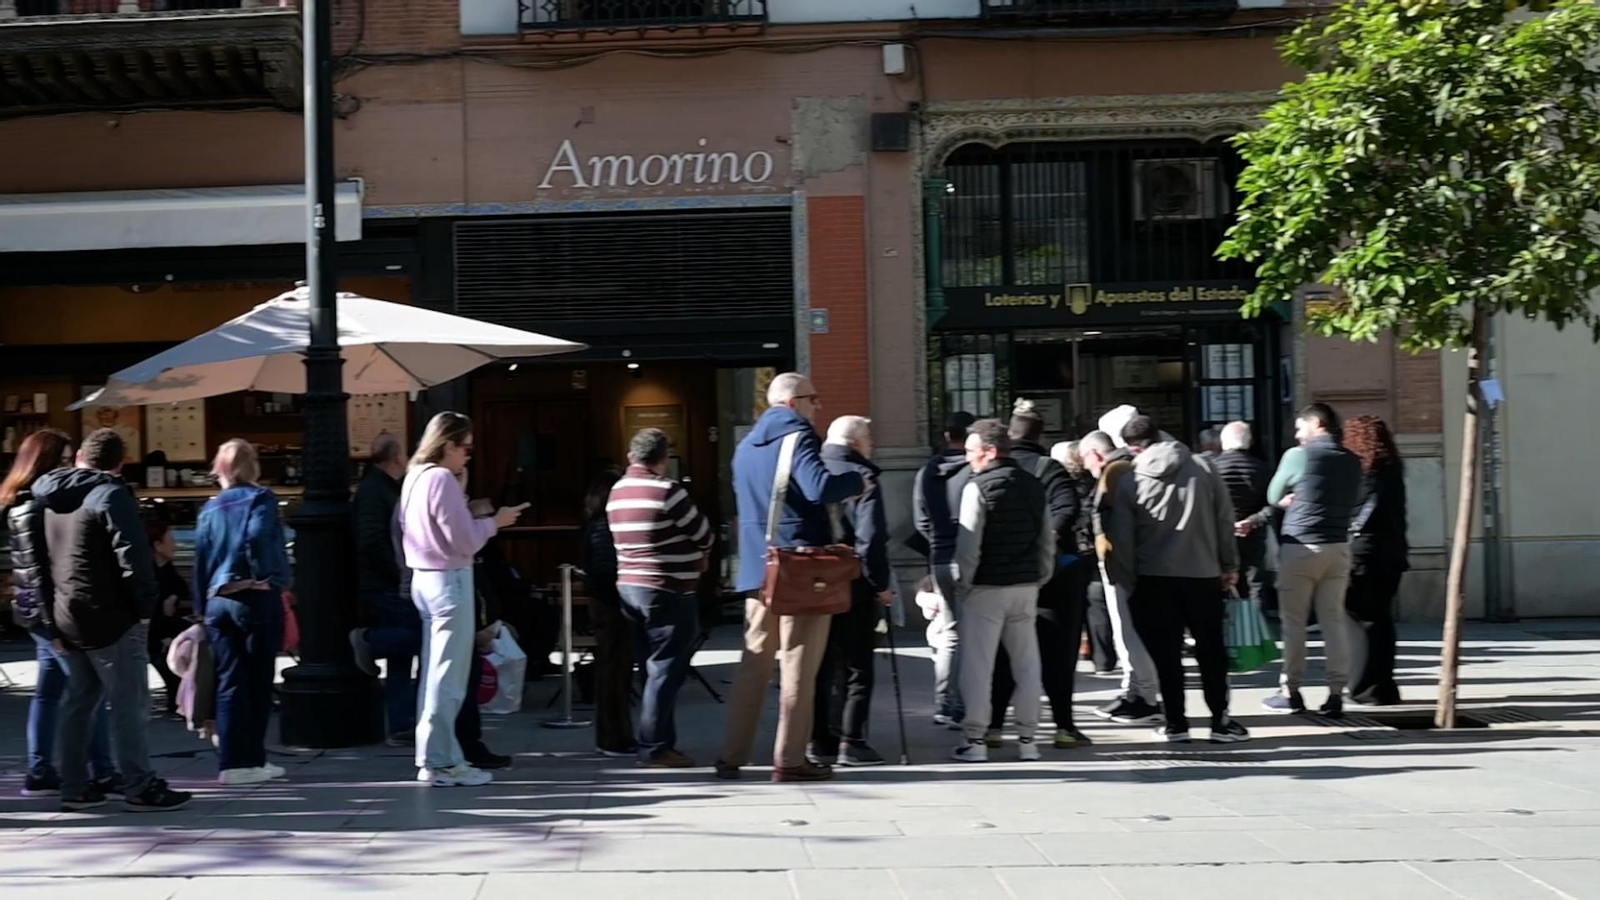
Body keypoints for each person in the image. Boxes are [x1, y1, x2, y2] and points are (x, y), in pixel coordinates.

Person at [718, 372, 864, 783]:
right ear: (794, 401)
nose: (818, 407)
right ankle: (790, 759)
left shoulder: (745, 445)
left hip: (758, 568)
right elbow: (819, 488)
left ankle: (733, 754)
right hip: (800, 568)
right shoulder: (798, 436)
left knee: (754, 663)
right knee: (799, 664)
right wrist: (857, 480)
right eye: (814, 399)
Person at [34, 428, 190, 811]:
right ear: (120, 463)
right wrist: (144, 609)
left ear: (81, 456)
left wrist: (50, 618)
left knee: (79, 702)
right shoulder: (112, 494)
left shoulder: (46, 494)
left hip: (67, 611)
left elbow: (38, 558)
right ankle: (139, 785)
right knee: (128, 704)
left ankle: (74, 785)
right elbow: (133, 556)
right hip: (112, 615)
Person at [400, 412, 526, 787]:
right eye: (465, 447)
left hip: (424, 579)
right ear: (448, 445)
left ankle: (434, 758)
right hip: (449, 580)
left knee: (433, 675)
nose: (468, 455)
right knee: (449, 679)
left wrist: (463, 491)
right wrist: (496, 522)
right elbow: (464, 539)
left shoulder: (415, 477)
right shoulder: (439, 478)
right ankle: (442, 761)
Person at [1106, 416, 1249, 744]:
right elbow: (1224, 518)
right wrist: (1230, 564)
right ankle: (1220, 720)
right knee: (1211, 651)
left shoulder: (1130, 480)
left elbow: (1123, 539)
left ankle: (1175, 722)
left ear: (1133, 447)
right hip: (1203, 573)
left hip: (1152, 577)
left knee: (1166, 654)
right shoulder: (1205, 467)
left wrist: (1128, 580)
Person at [3, 429, 118, 799]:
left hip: (35, 610)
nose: (70, 468)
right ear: (47, 463)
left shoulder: (20, 499)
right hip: (52, 611)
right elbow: (42, 568)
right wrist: (54, 624)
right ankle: (100, 770)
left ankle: (40, 769)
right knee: (88, 690)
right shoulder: (40, 503)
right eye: (65, 460)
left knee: (51, 691)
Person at [608, 429, 715, 768]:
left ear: (631, 456)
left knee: (650, 667)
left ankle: (661, 742)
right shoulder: (668, 491)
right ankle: (654, 746)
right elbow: (704, 534)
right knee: (667, 669)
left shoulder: (617, 491)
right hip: (667, 587)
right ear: (663, 459)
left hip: (630, 586)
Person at [950, 419, 1054, 763]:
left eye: (971, 452)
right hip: (1025, 585)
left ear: (990, 452)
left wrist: (964, 584)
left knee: (978, 666)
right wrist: (1040, 576)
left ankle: (975, 739)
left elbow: (969, 547)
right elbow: (1046, 539)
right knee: (1028, 664)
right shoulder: (1034, 485)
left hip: (986, 587)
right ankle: (1028, 739)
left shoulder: (976, 488)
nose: (968, 460)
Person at [989, 401, 1092, 749]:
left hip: (1001, 575)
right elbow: (1068, 509)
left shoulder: (992, 469)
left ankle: (992, 726)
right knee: (1057, 654)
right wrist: (1042, 541)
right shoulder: (1049, 468)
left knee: (1001, 653)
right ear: (1041, 436)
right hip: (1052, 579)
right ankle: (1063, 726)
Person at [192, 438, 290, 786]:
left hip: (218, 602)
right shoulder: (260, 498)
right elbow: (259, 536)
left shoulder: (210, 508)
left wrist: (202, 608)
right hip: (253, 597)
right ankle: (254, 760)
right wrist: (266, 576)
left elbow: (201, 560)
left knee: (230, 682)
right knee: (259, 682)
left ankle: (231, 763)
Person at [1263, 402, 1362, 718]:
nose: (1297, 433)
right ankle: (1336, 694)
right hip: (1338, 547)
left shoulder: (1298, 456)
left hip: (1301, 547)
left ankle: (1291, 691)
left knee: (1294, 624)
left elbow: (1272, 494)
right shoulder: (1352, 461)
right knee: (1333, 621)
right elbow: (1354, 500)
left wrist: (1289, 499)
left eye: (1299, 427)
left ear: (1317, 423)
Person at [810, 416, 892, 768]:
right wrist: (880, 583)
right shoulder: (864, 478)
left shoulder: (811, 471)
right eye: (869, 437)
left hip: (813, 579)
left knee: (820, 663)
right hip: (853, 581)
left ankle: (819, 739)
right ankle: (851, 739)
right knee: (858, 664)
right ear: (857, 443)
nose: (871, 443)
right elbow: (871, 538)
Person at [1079, 430, 1162, 724]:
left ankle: (1145, 697)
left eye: (1084, 457)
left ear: (1095, 454)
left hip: (1121, 565)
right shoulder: (1123, 469)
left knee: (1129, 632)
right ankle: (1134, 691)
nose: (1083, 465)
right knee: (1125, 632)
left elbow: (1112, 522)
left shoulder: (1116, 472)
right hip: (1121, 563)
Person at [349, 434, 423, 746]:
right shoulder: (375, 491)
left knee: (402, 655)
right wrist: (397, 573)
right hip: (385, 583)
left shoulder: (384, 488)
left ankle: (400, 722)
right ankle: (367, 641)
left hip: (390, 581)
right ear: (395, 457)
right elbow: (372, 540)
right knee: (413, 640)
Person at [912, 411, 975, 728]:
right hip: (969, 557)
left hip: (939, 557)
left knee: (948, 635)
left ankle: (943, 703)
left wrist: (937, 541)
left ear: (946, 436)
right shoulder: (975, 470)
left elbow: (920, 521)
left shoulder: (927, 472)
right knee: (973, 634)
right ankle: (964, 703)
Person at [1343, 415, 1408, 706]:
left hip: (1363, 554)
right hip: (1392, 554)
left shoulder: (1361, 471)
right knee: (1381, 619)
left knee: (1357, 621)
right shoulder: (1393, 469)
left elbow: (1357, 509)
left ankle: (1363, 687)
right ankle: (1385, 685)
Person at [584, 467, 635, 758]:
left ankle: (614, 736)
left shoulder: (595, 523)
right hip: (612, 604)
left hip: (605, 603)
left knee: (613, 672)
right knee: (615, 673)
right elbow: (605, 570)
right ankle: (615, 737)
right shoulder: (604, 526)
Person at [1056, 440, 1116, 676]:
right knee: (1097, 604)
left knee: (1075, 604)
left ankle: (1081, 651)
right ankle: (1103, 658)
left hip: (1072, 551)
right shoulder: (1096, 481)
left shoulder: (1061, 486)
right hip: (1093, 548)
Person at [1214, 422, 1273, 616]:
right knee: (1255, 584)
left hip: (1220, 536)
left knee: (1221, 583)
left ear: (1223, 442)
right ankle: (1256, 632)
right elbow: (1272, 505)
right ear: (1249, 441)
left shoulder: (1213, 469)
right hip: (1253, 535)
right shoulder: (1262, 468)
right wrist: (1252, 521)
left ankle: (1227, 630)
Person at [145, 518, 189, 717]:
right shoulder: (148, 574)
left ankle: (178, 701)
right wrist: (163, 636)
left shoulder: (167, 569)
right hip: (153, 633)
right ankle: (178, 701)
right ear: (157, 545)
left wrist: (174, 598)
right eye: (170, 540)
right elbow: (150, 612)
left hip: (167, 629)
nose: (175, 545)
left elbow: (183, 591)